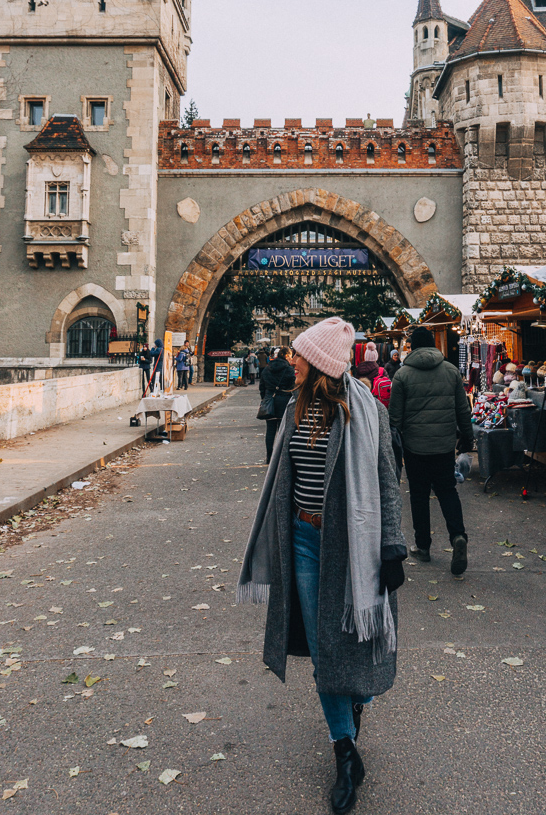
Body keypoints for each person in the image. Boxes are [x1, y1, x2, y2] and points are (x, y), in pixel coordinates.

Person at [237, 316, 406, 814]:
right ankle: (345, 752)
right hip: (304, 542)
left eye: (297, 354)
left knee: (352, 646)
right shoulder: (294, 407)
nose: (290, 360)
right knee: (322, 647)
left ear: (319, 364)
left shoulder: (367, 412)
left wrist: (392, 545)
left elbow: (387, 483)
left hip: (352, 544)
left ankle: (355, 702)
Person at [388, 325, 474, 574]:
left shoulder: (402, 375)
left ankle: (423, 546)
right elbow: (462, 410)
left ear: (412, 347)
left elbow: (395, 418)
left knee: (418, 495)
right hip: (444, 445)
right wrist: (467, 437)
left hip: (415, 447)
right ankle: (458, 536)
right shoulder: (451, 371)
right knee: (447, 491)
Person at [258, 347, 296, 463]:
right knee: (282, 431)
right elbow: (293, 386)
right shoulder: (289, 370)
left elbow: (262, 387)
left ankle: (269, 457)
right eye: (290, 356)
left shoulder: (268, 368)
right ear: (285, 356)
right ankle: (281, 457)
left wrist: (265, 398)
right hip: (284, 401)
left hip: (270, 400)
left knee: (270, 430)